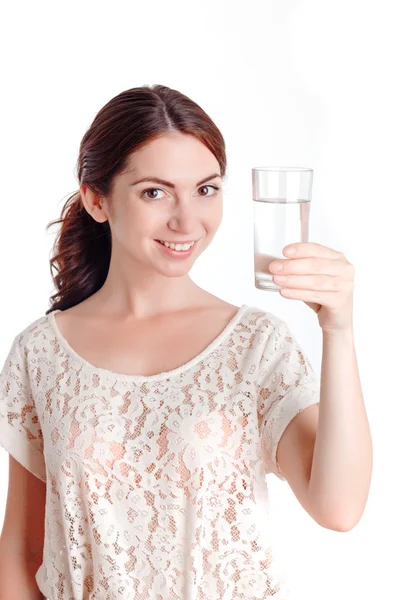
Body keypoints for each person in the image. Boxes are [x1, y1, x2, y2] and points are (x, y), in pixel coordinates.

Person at [0, 84, 321, 599]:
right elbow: (22, 550)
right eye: (155, 191)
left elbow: (339, 507)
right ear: (96, 199)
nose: (186, 220)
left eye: (206, 189)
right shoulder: (39, 355)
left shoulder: (257, 346)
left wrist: (342, 328)